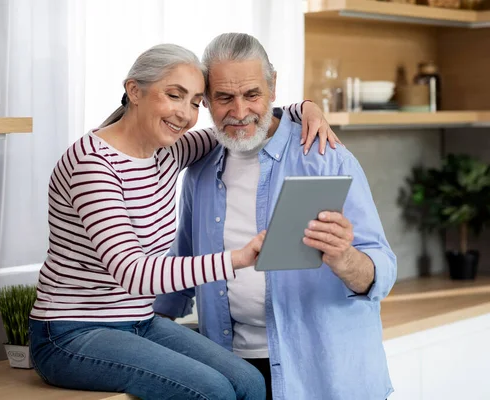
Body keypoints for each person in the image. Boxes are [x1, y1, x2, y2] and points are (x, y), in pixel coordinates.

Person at [28, 42, 340, 400]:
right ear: (134, 91)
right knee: (213, 392)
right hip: (70, 334)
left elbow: (241, 120)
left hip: (137, 324)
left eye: (195, 102)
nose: (185, 114)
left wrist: (306, 108)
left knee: (250, 383)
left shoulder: (169, 151)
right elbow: (134, 273)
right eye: (174, 95)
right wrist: (239, 258)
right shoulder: (93, 165)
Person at [153, 33, 398, 400]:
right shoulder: (200, 169)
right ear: (206, 101)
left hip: (321, 375)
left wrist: (345, 258)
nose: (239, 112)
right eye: (224, 98)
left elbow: (382, 272)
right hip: (232, 369)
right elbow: (184, 265)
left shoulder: (324, 156)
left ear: (273, 87)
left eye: (252, 94)